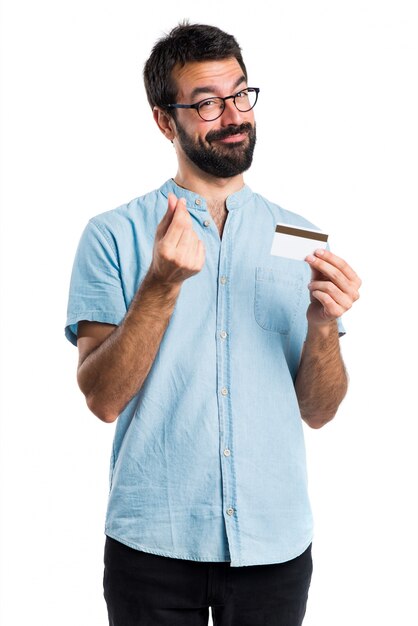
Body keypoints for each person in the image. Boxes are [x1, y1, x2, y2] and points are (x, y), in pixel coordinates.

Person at [65, 21, 361, 626]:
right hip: (152, 545)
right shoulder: (114, 235)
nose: (233, 115)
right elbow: (101, 399)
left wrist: (323, 326)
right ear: (164, 121)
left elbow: (320, 410)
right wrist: (161, 285)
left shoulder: (299, 239)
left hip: (274, 547)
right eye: (206, 102)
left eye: (240, 94)